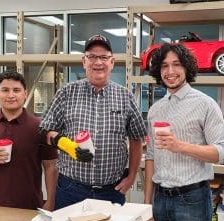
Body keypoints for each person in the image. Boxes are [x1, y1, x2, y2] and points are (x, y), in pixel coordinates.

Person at [40, 34, 146, 209]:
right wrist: (65, 144)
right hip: (70, 189)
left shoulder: (125, 96)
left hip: (111, 191)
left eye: (104, 57)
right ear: (84, 61)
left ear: (112, 62)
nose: (98, 62)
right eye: (92, 57)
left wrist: (132, 177)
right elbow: (45, 131)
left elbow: (136, 139)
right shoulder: (67, 92)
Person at [144, 43, 224, 221]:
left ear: (186, 67)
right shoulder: (155, 110)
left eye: (177, 64)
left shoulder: (205, 104)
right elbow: (151, 156)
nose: (170, 71)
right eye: (164, 66)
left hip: (192, 199)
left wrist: (180, 146)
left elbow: (223, 153)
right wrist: (146, 205)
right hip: (160, 199)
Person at [0, 70, 58, 210]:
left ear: (25, 93)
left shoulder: (41, 127)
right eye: (5, 90)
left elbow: (51, 166)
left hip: (28, 205)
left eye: (16, 90)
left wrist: (51, 201)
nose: (11, 95)